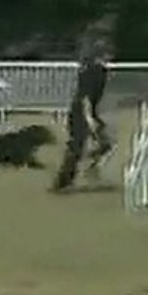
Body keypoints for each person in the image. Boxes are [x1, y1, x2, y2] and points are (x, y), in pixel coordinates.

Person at [51, 36, 114, 192]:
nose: (111, 56)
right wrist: (90, 118)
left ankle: (87, 167)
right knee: (77, 147)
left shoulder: (92, 69)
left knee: (104, 142)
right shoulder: (95, 71)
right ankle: (64, 181)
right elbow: (85, 96)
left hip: (84, 111)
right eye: (108, 53)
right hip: (82, 112)